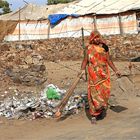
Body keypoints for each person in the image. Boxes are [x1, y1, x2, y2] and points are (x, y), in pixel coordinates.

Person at [81, 30, 121, 124]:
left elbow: (109, 60)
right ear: (91, 38)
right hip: (93, 75)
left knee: (105, 93)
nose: (97, 39)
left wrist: (116, 70)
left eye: (98, 37)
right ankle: (94, 115)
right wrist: (82, 71)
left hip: (104, 74)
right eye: (95, 37)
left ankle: (101, 110)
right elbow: (85, 61)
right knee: (94, 95)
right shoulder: (88, 48)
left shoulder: (104, 47)